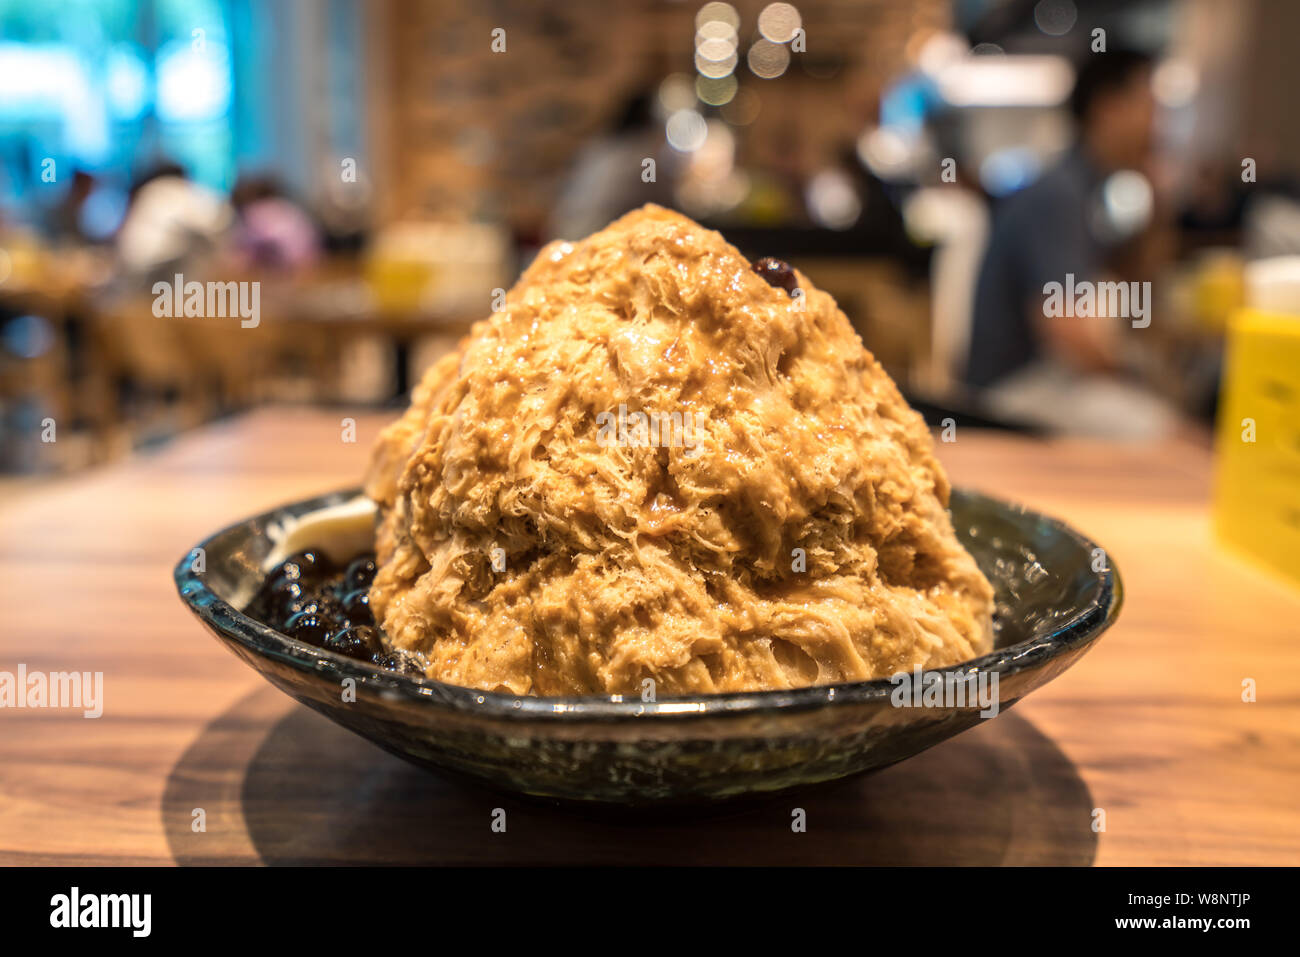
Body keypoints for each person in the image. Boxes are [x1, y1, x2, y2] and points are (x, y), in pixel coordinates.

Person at [964, 48, 1175, 438]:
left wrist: (1157, 197)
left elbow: (1136, 278)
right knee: (1162, 432)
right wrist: (1130, 377)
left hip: (1042, 379)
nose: (1158, 127)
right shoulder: (1059, 194)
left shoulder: (1086, 189)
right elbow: (1066, 330)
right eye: (1150, 106)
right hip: (1010, 393)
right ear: (1108, 107)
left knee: (1158, 415)